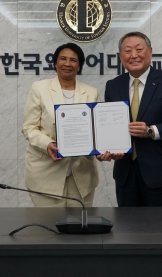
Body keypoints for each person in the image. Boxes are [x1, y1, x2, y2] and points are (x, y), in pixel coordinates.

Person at [99, 31, 162, 207]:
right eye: (127, 51)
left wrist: (150, 131)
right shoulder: (113, 86)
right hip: (125, 173)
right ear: (120, 56)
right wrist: (107, 150)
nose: (134, 55)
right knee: (127, 229)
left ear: (150, 51)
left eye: (139, 49)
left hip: (161, 172)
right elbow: (108, 127)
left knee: (161, 229)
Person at [22, 43, 100, 207]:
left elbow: (97, 130)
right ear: (55, 63)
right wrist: (48, 143)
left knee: (79, 227)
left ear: (79, 65)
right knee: (49, 227)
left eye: (73, 60)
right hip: (45, 171)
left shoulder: (91, 92)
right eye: (63, 59)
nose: (67, 63)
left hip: (82, 173)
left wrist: (103, 148)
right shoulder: (40, 88)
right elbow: (29, 127)